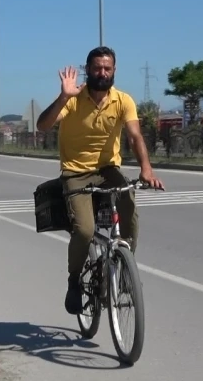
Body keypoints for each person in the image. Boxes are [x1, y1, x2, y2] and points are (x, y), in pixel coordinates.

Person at [37, 46, 165, 315]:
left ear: (114, 71)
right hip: (75, 173)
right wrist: (62, 97)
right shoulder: (73, 99)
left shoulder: (123, 100)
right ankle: (74, 280)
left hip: (108, 169)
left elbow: (135, 136)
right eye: (97, 68)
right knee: (84, 230)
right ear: (88, 70)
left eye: (107, 68)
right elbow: (42, 125)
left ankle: (124, 266)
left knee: (129, 202)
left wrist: (146, 169)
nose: (102, 73)